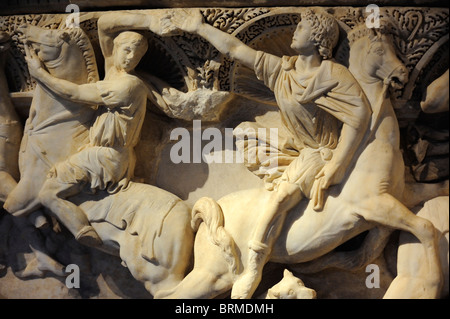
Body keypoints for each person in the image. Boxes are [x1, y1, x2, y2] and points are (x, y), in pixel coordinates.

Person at [170, 8, 371, 298]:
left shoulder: (334, 75)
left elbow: (359, 115)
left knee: (280, 197)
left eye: (301, 27)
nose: (295, 31)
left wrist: (337, 163)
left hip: (323, 153)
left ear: (317, 37)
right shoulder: (283, 70)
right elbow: (237, 50)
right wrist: (200, 28)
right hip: (302, 152)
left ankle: (252, 267)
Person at [25, 12, 176, 247]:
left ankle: (83, 231)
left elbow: (74, 93)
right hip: (109, 153)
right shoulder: (113, 72)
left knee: (47, 193)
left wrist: (38, 74)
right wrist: (150, 21)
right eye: (127, 50)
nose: (131, 57)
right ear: (114, 49)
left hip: (106, 156)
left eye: (137, 55)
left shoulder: (128, 84)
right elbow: (104, 25)